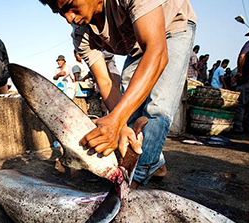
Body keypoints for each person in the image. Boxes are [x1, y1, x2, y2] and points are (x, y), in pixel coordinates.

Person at [39, 0, 197, 187]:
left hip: (173, 27)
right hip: (137, 45)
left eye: (69, 5)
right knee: (128, 117)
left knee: (157, 108)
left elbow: (157, 52)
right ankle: (156, 164)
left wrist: (117, 119)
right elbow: (105, 81)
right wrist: (118, 122)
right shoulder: (81, 35)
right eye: (60, 13)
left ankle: (131, 181)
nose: (68, 18)